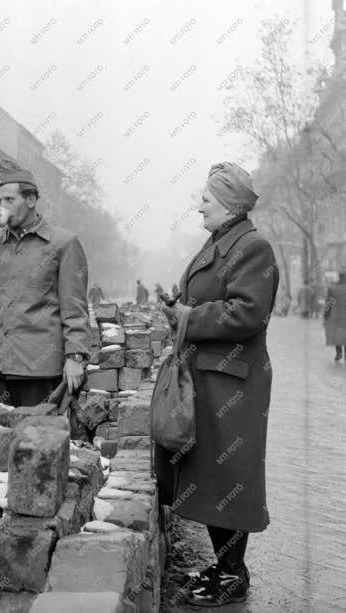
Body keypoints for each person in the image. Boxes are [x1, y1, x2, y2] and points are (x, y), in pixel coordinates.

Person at [156, 162, 279, 607]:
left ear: (228, 205)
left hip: (233, 381)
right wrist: (181, 307)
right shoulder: (222, 242)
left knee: (229, 478)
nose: (199, 207)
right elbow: (215, 298)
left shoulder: (253, 247)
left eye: (205, 200)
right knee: (211, 475)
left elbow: (248, 313)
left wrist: (190, 317)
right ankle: (224, 566)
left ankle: (232, 575)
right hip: (212, 376)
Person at [0, 159, 91, 406]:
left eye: (9, 200)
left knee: (36, 441)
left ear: (31, 200)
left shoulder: (63, 243)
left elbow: (74, 308)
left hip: (37, 368)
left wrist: (75, 357)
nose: (2, 207)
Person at [324, 268, 346, 362]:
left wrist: (326, 314)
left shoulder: (333, 288)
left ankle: (339, 352)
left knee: (338, 334)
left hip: (337, 316)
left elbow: (330, 303)